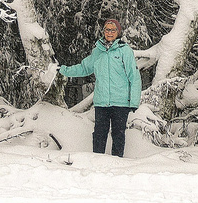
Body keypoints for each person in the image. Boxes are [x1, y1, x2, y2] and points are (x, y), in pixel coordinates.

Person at [56, 17, 141, 156]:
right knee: (99, 134)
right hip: (102, 102)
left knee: (118, 134)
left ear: (118, 32)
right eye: (107, 29)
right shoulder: (98, 51)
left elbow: (134, 77)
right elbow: (84, 68)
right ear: (103, 32)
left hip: (121, 102)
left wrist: (134, 101)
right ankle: (96, 161)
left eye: (113, 30)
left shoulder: (124, 51)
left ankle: (117, 162)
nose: (109, 32)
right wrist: (63, 70)